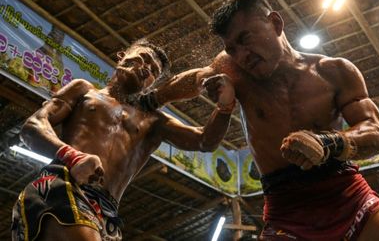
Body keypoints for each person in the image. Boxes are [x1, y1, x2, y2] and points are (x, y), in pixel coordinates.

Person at [144, 0, 379, 240]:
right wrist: (151, 99)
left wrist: (329, 143)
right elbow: (192, 80)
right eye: (231, 48)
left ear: (275, 22)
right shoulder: (231, 69)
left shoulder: (335, 71)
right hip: (285, 211)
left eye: (245, 39)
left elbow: (377, 132)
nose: (241, 55)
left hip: (348, 195)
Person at [11, 39, 236, 241]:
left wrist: (225, 108)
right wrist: (72, 156)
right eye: (144, 58)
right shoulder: (85, 91)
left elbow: (205, 141)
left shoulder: (154, 121)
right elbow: (33, 126)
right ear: (122, 56)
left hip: (106, 212)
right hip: (64, 186)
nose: (147, 68)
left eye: (153, 72)